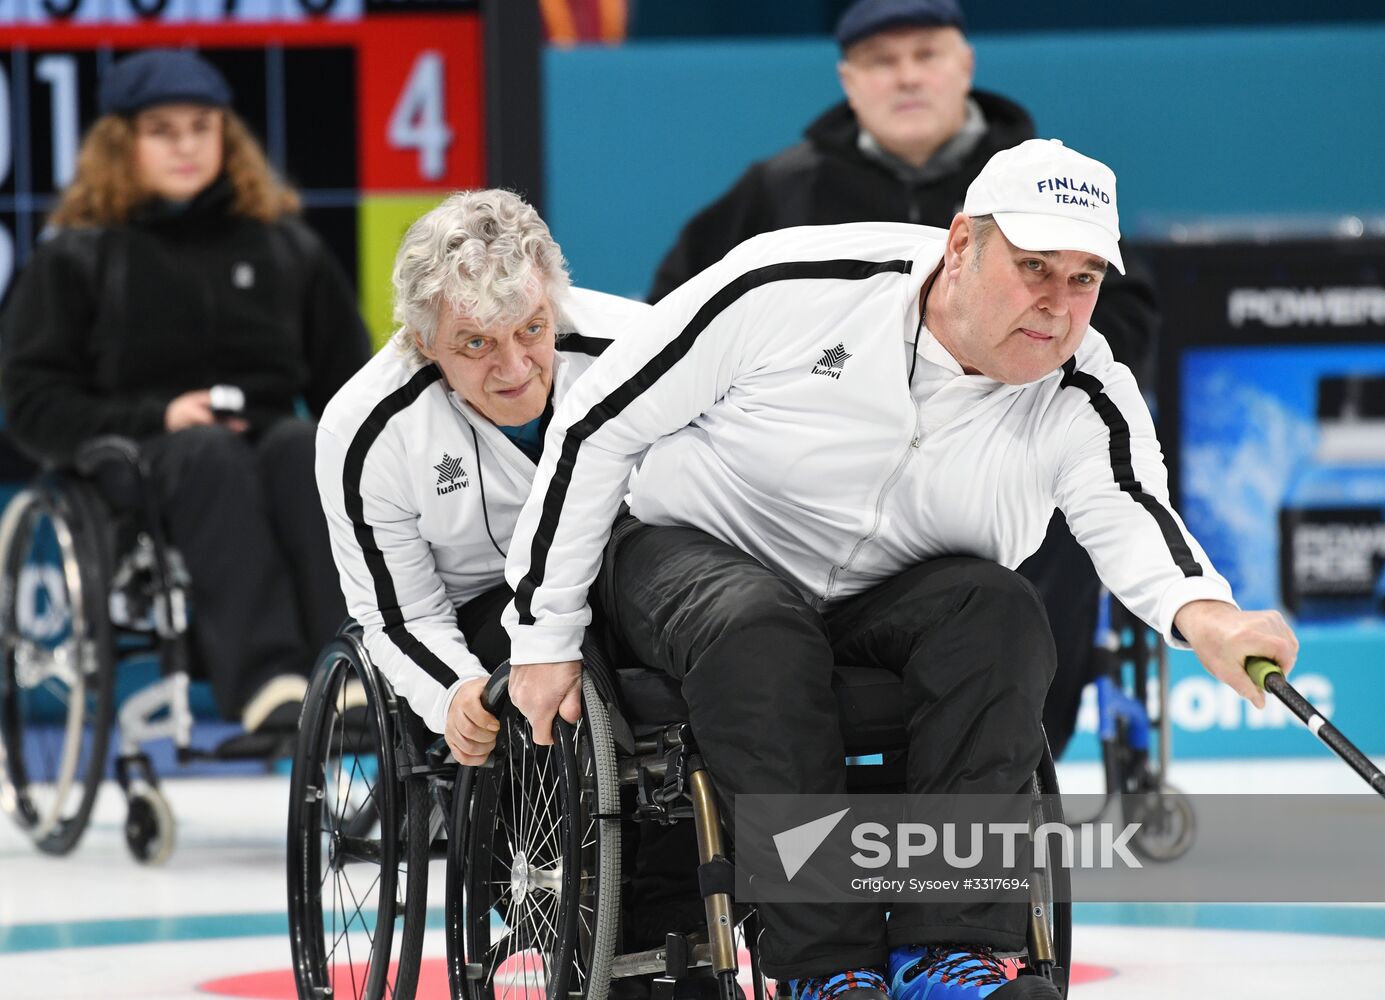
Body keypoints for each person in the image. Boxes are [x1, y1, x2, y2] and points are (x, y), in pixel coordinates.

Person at [501, 139, 1298, 1000]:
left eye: (1082, 279)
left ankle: (948, 953)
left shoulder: (1082, 387)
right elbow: (595, 424)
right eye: (1032, 266)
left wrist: (1209, 615)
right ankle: (824, 969)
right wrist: (541, 635)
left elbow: (1133, 512)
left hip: (881, 596)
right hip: (693, 549)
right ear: (961, 244)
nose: (1056, 305)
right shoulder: (793, 284)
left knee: (1000, 612)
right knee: (760, 631)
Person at [649, 0, 1160, 758]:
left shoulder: (1042, 186)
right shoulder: (779, 192)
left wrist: (1019, 358)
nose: (907, 76)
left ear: (965, 66)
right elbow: (674, 321)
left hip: (982, 463)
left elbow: (1120, 313)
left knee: (1040, 542)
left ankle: (1003, 755)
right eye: (883, 62)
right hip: (807, 481)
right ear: (848, 81)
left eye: (925, 54)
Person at [0, 49, 371, 734]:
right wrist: (159, 415)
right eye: (162, 130)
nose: (186, 146)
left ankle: (352, 669)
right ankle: (267, 682)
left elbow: (351, 387)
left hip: (265, 440)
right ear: (122, 143)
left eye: (202, 127)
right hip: (141, 457)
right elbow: (33, 405)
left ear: (225, 136)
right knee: (207, 454)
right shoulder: (76, 259)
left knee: (302, 448)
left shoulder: (284, 249)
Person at [314, 188, 649, 760]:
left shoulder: (641, 348)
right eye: (476, 343)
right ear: (424, 344)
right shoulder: (364, 429)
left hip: (621, 571)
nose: (514, 369)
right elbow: (401, 613)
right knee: (560, 677)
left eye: (530, 330)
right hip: (482, 610)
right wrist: (455, 693)